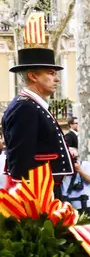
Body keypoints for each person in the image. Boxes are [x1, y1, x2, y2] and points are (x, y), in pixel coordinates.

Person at [2, 48, 73, 199]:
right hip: (36, 192)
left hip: (44, 187)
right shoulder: (25, 107)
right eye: (50, 73)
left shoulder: (32, 105)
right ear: (33, 76)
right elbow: (21, 157)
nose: (57, 79)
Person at [61, 147, 90, 221]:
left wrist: (79, 170)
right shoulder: (62, 169)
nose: (73, 160)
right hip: (69, 208)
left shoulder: (85, 165)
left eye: (75, 157)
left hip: (88, 205)